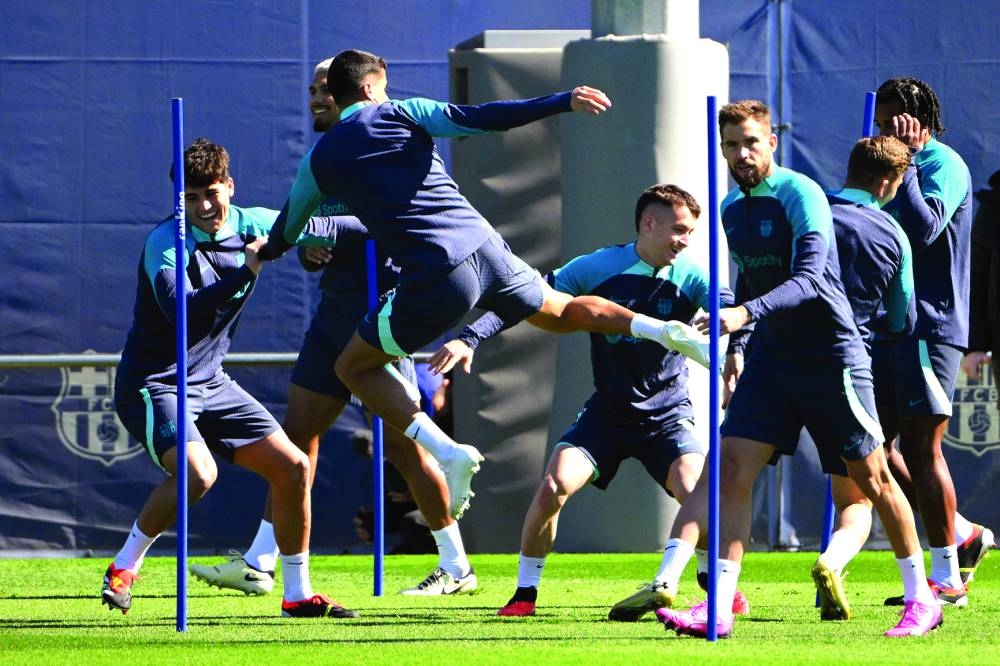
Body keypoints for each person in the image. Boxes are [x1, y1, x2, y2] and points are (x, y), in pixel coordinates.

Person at [259, 49, 711, 520]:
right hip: (490, 249)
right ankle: (661, 330)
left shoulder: (319, 158)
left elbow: (288, 229)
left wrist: (266, 251)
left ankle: (448, 452)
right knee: (561, 313)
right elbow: (482, 119)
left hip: (439, 276)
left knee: (351, 367)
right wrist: (561, 101)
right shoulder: (405, 112)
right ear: (371, 87)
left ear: (340, 93)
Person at [651, 100, 939, 639]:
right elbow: (754, 287)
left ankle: (923, 598)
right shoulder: (730, 209)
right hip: (771, 360)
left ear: (772, 142)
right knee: (730, 468)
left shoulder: (802, 194)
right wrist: (737, 341)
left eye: (751, 142)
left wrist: (742, 314)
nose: (741, 153)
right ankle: (718, 606)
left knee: (873, 479)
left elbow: (810, 279)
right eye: (731, 144)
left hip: (831, 357)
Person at [188, 58, 476, 597]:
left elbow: (398, 223)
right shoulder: (322, 157)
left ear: (352, 92)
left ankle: (457, 565)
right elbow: (309, 239)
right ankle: (261, 561)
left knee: (405, 450)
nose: (318, 98)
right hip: (333, 317)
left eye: (326, 89)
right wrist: (313, 252)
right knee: (295, 442)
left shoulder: (392, 141)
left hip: (379, 320)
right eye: (312, 90)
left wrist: (331, 233)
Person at [428, 184, 743, 619]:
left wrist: (736, 349)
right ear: (648, 223)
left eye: (690, 233)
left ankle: (715, 589)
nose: (685, 241)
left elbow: (729, 308)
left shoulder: (692, 274)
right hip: (607, 415)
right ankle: (524, 594)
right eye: (679, 230)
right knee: (554, 486)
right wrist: (470, 336)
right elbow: (527, 297)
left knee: (697, 492)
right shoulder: (599, 266)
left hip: (668, 417)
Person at [104, 138, 356, 619]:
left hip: (212, 380)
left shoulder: (255, 223)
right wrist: (248, 270)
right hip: (156, 382)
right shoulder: (165, 244)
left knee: (294, 468)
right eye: (191, 197)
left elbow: (327, 226)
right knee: (199, 474)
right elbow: (183, 312)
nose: (203, 206)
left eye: (212, 193)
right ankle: (123, 567)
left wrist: (391, 223)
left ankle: (297, 594)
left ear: (230, 187)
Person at [872, 77, 992, 604]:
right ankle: (963, 534)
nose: (887, 133)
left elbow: (925, 230)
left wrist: (914, 160)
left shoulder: (943, 164)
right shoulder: (888, 170)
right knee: (871, 447)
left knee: (923, 448)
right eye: (881, 124)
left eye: (895, 123)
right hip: (889, 325)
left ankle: (947, 578)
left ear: (919, 122)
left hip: (932, 326)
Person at [810, 135, 917, 621]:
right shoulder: (892, 233)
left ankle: (713, 589)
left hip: (783, 365)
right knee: (866, 493)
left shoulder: (808, 214)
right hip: (850, 371)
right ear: (887, 182)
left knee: (736, 474)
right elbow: (902, 318)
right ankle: (834, 562)